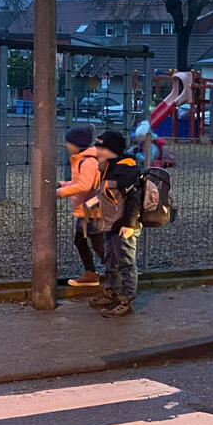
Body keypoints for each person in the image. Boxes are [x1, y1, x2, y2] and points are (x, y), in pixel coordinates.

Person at [88, 131, 143, 318]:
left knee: (126, 264)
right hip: (110, 225)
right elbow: (105, 193)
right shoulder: (108, 167)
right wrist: (90, 204)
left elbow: (133, 198)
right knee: (110, 261)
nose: (96, 150)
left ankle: (126, 300)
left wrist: (129, 224)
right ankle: (111, 293)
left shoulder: (125, 169)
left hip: (123, 226)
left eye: (100, 147)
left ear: (111, 150)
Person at [56, 125, 104, 287]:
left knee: (98, 245)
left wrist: (61, 192)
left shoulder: (87, 161)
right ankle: (93, 273)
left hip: (92, 211)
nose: (67, 145)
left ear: (77, 144)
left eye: (69, 142)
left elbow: (84, 185)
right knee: (84, 241)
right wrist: (62, 184)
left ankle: (114, 274)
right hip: (88, 210)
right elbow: (80, 182)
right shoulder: (84, 159)